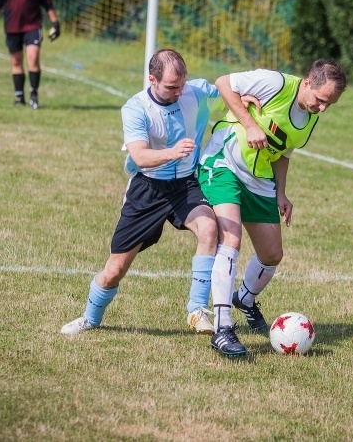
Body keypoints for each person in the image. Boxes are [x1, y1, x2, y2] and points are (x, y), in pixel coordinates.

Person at [61, 49, 257, 336]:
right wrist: (172, 153)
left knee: (208, 228)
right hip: (147, 189)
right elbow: (140, 157)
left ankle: (197, 310)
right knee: (115, 269)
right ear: (152, 79)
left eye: (181, 85)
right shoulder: (135, 108)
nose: (179, 92)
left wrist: (243, 102)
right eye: (171, 87)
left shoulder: (195, 92)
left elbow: (226, 90)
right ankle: (90, 318)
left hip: (186, 186)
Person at [198, 59, 347, 356]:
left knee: (271, 255)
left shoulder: (309, 117)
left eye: (329, 104)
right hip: (224, 161)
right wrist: (250, 124)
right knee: (231, 239)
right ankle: (222, 328)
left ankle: (245, 299)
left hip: (260, 176)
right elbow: (223, 82)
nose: (323, 109)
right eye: (320, 100)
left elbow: (283, 152)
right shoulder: (275, 83)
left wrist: (282, 193)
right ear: (307, 82)